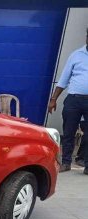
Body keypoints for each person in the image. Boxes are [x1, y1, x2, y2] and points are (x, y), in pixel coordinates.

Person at [48, 28, 88, 175]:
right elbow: (64, 79)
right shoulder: (76, 55)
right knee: (69, 131)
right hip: (73, 100)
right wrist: (53, 99)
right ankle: (65, 162)